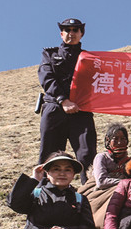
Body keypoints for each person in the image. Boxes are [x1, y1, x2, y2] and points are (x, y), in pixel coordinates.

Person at [38, 18, 97, 184]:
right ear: (61, 34)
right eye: (67, 30)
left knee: (87, 155)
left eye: (75, 30)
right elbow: (47, 78)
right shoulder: (50, 54)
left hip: (81, 111)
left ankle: (89, 193)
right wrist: (63, 100)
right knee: (49, 155)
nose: (71, 33)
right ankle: (43, 192)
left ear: (81, 34)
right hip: (54, 109)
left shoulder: (90, 58)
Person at [86, 123, 130, 229]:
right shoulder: (101, 157)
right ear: (108, 140)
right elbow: (101, 182)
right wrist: (123, 182)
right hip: (99, 191)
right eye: (115, 139)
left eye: (123, 139)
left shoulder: (129, 161)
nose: (119, 142)